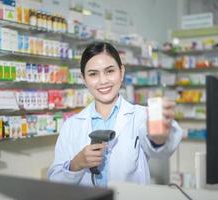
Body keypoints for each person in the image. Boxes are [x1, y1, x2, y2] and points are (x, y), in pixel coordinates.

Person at [47, 42, 182, 187]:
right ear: (83, 79)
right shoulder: (72, 125)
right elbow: (54, 181)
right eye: (93, 74)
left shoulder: (141, 116)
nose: (103, 81)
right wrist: (76, 164)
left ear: (121, 72)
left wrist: (158, 140)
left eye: (110, 71)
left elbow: (162, 152)